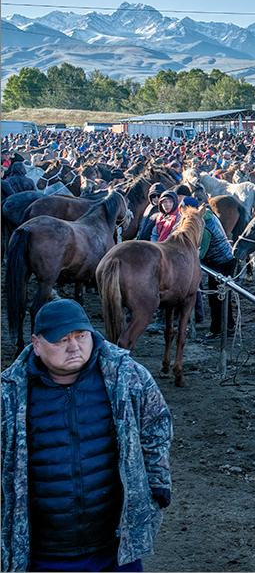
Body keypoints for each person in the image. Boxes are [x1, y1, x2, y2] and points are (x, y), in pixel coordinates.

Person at [1, 299, 172, 572]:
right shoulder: (9, 394)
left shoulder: (126, 376)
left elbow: (155, 426)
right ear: (36, 344)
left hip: (115, 548)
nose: (74, 347)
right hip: (45, 553)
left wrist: (158, 484)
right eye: (61, 340)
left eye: (81, 336)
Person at [180, 197, 236, 338]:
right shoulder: (208, 216)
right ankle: (229, 325)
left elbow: (202, 250)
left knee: (216, 296)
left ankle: (217, 329)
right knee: (224, 295)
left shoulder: (204, 225)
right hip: (225, 258)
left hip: (220, 261)